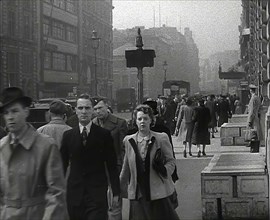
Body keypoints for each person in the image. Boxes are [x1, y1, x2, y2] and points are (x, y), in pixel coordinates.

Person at [0, 87, 68, 220]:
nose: (10, 117)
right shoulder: (2, 147)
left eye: (15, 111)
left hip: (36, 215)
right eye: (6, 112)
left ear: (26, 111)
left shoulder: (45, 146)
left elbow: (56, 193)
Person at [60, 93, 120, 220]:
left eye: (87, 108)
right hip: (75, 195)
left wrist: (116, 192)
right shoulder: (68, 136)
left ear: (93, 110)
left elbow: (112, 165)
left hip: (97, 195)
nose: (84, 111)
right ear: (75, 110)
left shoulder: (104, 135)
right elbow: (61, 166)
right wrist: (58, 192)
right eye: (80, 108)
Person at [120, 104, 179, 220]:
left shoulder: (161, 138)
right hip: (138, 193)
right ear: (135, 121)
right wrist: (119, 188)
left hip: (157, 192)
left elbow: (171, 161)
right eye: (139, 119)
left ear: (151, 120)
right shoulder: (128, 140)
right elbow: (126, 167)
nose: (142, 122)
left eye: (146, 119)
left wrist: (164, 170)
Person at [92, 97, 128, 220]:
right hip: (97, 170)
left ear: (107, 107)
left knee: (114, 203)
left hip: (114, 168)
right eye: (95, 109)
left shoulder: (119, 123)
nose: (97, 111)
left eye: (100, 108)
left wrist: (124, 171)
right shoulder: (93, 124)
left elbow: (123, 149)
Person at [247, 84, 263, 151]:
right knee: (256, 134)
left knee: (253, 134)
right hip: (257, 117)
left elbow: (252, 111)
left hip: (253, 119)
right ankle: (255, 148)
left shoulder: (253, 98)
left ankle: (254, 149)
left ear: (251, 91)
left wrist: (250, 121)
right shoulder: (258, 98)